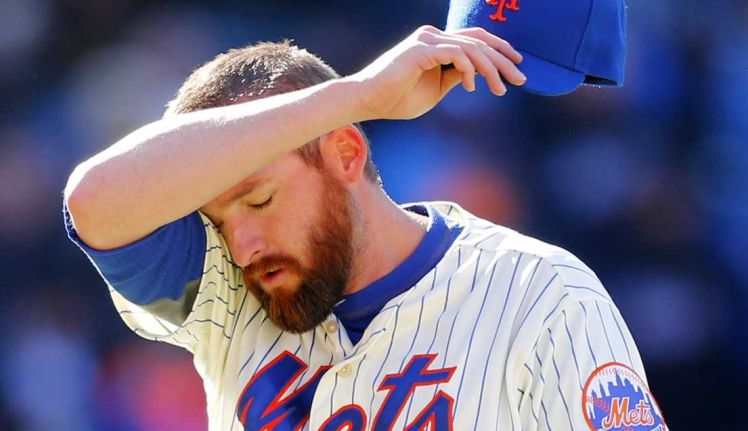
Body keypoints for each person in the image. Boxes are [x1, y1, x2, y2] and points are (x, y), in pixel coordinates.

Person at [64, 26, 667, 431]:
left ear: (346, 155)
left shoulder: (540, 292)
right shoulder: (229, 291)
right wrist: (355, 94)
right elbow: (93, 200)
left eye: (261, 199)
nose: (241, 243)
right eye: (220, 220)